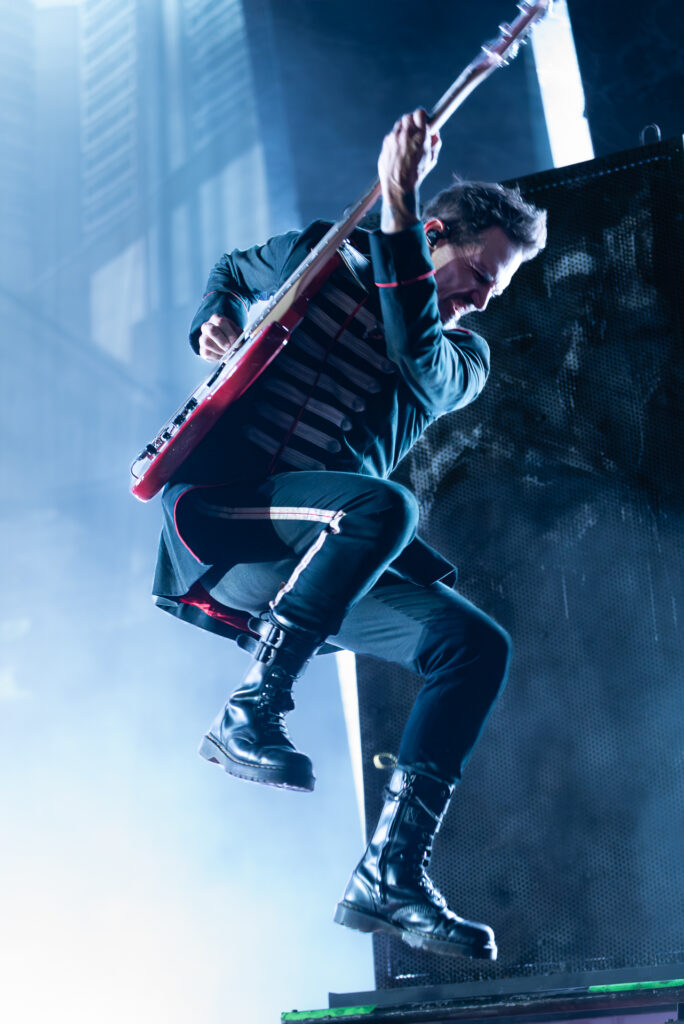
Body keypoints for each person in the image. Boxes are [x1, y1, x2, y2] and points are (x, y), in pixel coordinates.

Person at [153, 109, 547, 959]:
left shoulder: (463, 359)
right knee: (381, 509)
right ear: (438, 236)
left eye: (497, 291)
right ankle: (252, 712)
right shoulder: (323, 254)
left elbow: (414, 350)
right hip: (232, 522)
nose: (483, 299)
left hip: (326, 547)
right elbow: (232, 270)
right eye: (479, 274)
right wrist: (215, 318)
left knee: (474, 646)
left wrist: (397, 207)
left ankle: (390, 874)